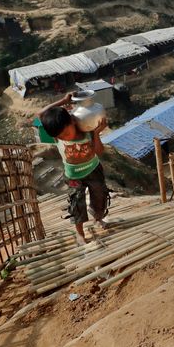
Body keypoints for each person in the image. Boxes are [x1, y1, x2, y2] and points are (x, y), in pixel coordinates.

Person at [38, 93, 110, 245]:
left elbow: (99, 151)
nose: (64, 137)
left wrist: (96, 133)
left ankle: (98, 218)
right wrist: (63, 100)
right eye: (60, 137)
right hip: (73, 175)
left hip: (93, 169)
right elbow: (41, 114)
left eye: (66, 133)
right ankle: (80, 233)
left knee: (100, 195)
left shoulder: (87, 128)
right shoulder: (57, 134)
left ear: (72, 120)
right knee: (76, 203)